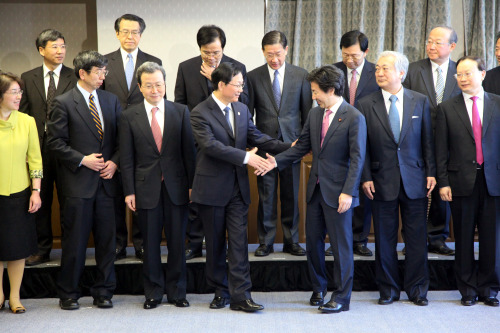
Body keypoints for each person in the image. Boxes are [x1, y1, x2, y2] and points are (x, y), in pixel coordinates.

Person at [262, 65, 366, 313]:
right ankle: (319, 288)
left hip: (340, 193)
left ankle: (341, 297)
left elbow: (357, 158)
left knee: (341, 247)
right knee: (314, 245)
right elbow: (301, 148)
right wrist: (276, 161)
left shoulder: (354, 117)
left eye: (316, 91)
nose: (313, 96)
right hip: (315, 190)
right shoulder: (315, 114)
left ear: (331, 89)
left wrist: (348, 192)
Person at [190, 62, 290, 312]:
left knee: (238, 243)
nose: (241, 90)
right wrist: (246, 158)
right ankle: (220, 290)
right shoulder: (200, 112)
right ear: (221, 85)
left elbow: (257, 137)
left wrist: (290, 146)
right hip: (212, 189)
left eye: (242, 85)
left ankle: (241, 295)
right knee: (214, 244)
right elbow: (210, 146)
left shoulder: (242, 109)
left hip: (238, 189)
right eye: (238, 85)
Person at [358, 51, 436, 306]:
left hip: (415, 179)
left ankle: (417, 289)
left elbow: (428, 142)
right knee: (384, 237)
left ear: (401, 73)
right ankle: (388, 289)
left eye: (385, 69)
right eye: (378, 69)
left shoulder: (420, 101)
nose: (379, 73)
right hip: (380, 180)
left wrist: (431, 172)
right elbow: (363, 146)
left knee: (416, 238)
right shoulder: (365, 103)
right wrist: (366, 176)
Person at [48, 50, 121, 310]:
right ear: (82, 73)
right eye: (98, 71)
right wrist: (82, 159)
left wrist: (115, 161)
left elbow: (122, 140)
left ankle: (104, 292)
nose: (103, 76)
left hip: (107, 183)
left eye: (104, 71)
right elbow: (54, 142)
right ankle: (69, 293)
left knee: (106, 242)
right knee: (75, 243)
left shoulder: (111, 101)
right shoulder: (63, 102)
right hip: (78, 184)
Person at [120, 62, 196, 309]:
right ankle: (153, 292)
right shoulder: (129, 115)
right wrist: (129, 191)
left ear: (165, 84)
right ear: (140, 87)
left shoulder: (181, 111)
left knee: (177, 243)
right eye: (149, 85)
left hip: (177, 187)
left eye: (159, 84)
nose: (155, 90)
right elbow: (127, 157)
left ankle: (177, 292)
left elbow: (189, 154)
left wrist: (192, 185)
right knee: (150, 245)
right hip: (145, 188)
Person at [175, 25, 249, 260]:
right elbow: (180, 104)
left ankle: (224, 247)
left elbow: (243, 101)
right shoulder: (186, 68)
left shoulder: (236, 68)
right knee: (198, 195)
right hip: (198, 141)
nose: (211, 56)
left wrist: (212, 81)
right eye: (206, 52)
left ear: (223, 48)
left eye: (215, 52)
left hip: (228, 142)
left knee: (225, 200)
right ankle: (195, 242)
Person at [435, 56, 500, 307]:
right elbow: (440, 150)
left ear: (482, 74)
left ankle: (489, 288)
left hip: (493, 180)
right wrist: (443, 182)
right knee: (462, 238)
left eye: (467, 74)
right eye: (458, 75)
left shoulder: (497, 104)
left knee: (492, 238)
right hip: (459, 181)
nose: (462, 79)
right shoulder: (446, 108)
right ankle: (468, 290)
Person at [102, 13, 162, 261]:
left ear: (141, 34)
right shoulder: (104, 61)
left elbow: (159, 97)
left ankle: (141, 243)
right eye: (125, 31)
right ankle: (118, 243)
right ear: (117, 33)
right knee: (115, 192)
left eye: (135, 32)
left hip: (143, 137)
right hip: (111, 135)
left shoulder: (153, 61)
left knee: (141, 190)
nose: (130, 36)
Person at [247, 30, 311, 257]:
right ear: (263, 52)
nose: (274, 59)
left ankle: (292, 241)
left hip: (292, 147)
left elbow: (307, 114)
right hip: (264, 147)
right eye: (269, 54)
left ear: (286, 49)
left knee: (291, 195)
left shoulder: (301, 75)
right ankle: (265, 242)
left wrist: (302, 142)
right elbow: (247, 115)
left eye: (278, 53)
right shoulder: (252, 77)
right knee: (266, 196)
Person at [20, 29, 77, 266]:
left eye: (63, 46)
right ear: (41, 50)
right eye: (54, 46)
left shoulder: (75, 77)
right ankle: (42, 249)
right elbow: (23, 113)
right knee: (40, 199)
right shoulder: (28, 77)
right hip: (38, 149)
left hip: (66, 148)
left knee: (68, 199)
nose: (60, 51)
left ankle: (71, 248)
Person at [403, 26, 461, 256]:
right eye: (429, 41)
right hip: (416, 141)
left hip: (450, 143)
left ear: (452, 46)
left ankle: (437, 237)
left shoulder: (461, 72)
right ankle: (413, 240)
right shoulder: (412, 70)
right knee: (415, 192)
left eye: (437, 42)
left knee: (442, 189)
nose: (431, 46)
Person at [329, 30, 380, 257]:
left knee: (363, 188)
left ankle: (360, 239)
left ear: (366, 52)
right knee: (339, 189)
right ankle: (339, 239)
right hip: (337, 138)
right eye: (345, 55)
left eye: (355, 56)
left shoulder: (376, 72)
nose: (349, 60)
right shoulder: (332, 71)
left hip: (367, 138)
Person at [0, 72, 42, 313]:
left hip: (19, 194)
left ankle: (15, 297)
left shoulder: (27, 121)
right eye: (13, 92)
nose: (19, 96)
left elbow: (35, 161)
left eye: (20, 92)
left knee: (17, 249)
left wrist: (36, 191)